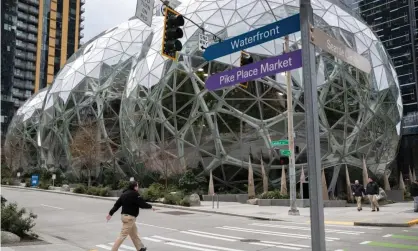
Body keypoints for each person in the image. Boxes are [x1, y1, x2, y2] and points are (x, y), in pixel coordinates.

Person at [106, 181, 154, 251]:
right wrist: (150, 206)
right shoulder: (135, 194)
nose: (138, 187)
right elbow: (142, 204)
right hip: (130, 218)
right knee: (122, 235)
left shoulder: (124, 194)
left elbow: (117, 205)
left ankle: (140, 248)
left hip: (125, 217)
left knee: (134, 233)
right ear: (134, 187)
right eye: (137, 186)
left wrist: (110, 213)